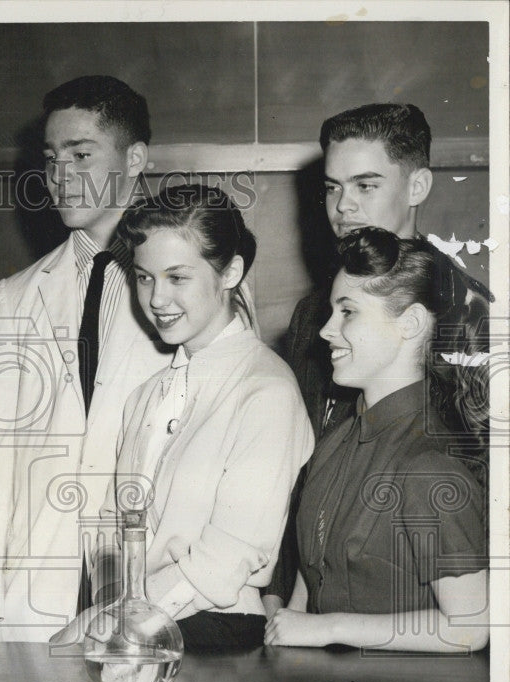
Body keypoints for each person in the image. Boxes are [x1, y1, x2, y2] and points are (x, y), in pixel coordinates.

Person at [0, 75, 171, 642]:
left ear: (136, 158)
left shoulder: (194, 285)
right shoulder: (18, 293)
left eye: (82, 155)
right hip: (40, 589)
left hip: (152, 583)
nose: (61, 177)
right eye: (52, 159)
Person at [55, 184, 314, 650]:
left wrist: (116, 622)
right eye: (144, 277)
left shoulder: (266, 391)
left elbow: (229, 557)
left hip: (213, 628)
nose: (156, 299)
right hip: (139, 621)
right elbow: (115, 526)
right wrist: (110, 607)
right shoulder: (146, 396)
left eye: (178, 278)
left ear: (231, 271)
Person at [265, 228, 489, 652]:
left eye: (348, 312)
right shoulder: (335, 440)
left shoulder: (429, 463)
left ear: (411, 323)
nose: (326, 330)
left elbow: (472, 626)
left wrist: (329, 628)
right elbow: (309, 581)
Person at [265, 103, 448, 613]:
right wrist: (278, 593)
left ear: (417, 187)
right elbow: (303, 467)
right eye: (331, 187)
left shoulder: (467, 313)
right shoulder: (313, 317)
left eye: (365, 185)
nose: (343, 206)